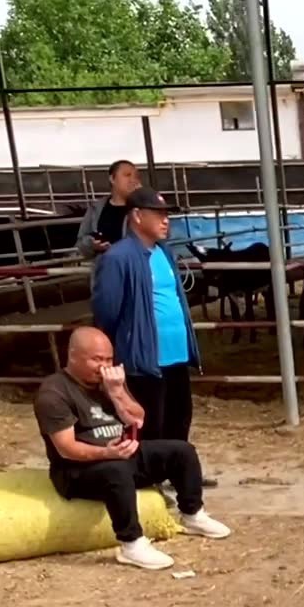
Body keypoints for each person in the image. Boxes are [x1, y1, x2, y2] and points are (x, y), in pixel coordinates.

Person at [35, 327, 230, 571]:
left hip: (120, 454)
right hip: (76, 470)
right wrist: (107, 453)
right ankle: (132, 544)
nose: (104, 366)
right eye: (96, 359)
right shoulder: (54, 392)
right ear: (73, 356)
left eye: (108, 359)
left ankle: (192, 514)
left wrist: (117, 392)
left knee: (182, 451)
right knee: (115, 471)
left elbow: (138, 420)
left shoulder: (108, 381)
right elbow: (66, 449)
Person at [90, 187, 201, 444]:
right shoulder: (118, 258)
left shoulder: (165, 252)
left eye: (167, 214)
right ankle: (149, 473)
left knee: (180, 415)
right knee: (151, 421)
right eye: (158, 214)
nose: (166, 220)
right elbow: (106, 309)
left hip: (177, 353)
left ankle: (177, 467)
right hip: (143, 357)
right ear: (137, 216)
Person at [75, 160, 142, 277]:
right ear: (112, 179)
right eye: (127, 175)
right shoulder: (96, 209)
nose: (133, 180)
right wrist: (92, 245)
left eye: (135, 176)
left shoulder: (141, 207)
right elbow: (81, 244)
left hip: (136, 274)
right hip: (106, 275)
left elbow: (162, 235)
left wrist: (144, 199)